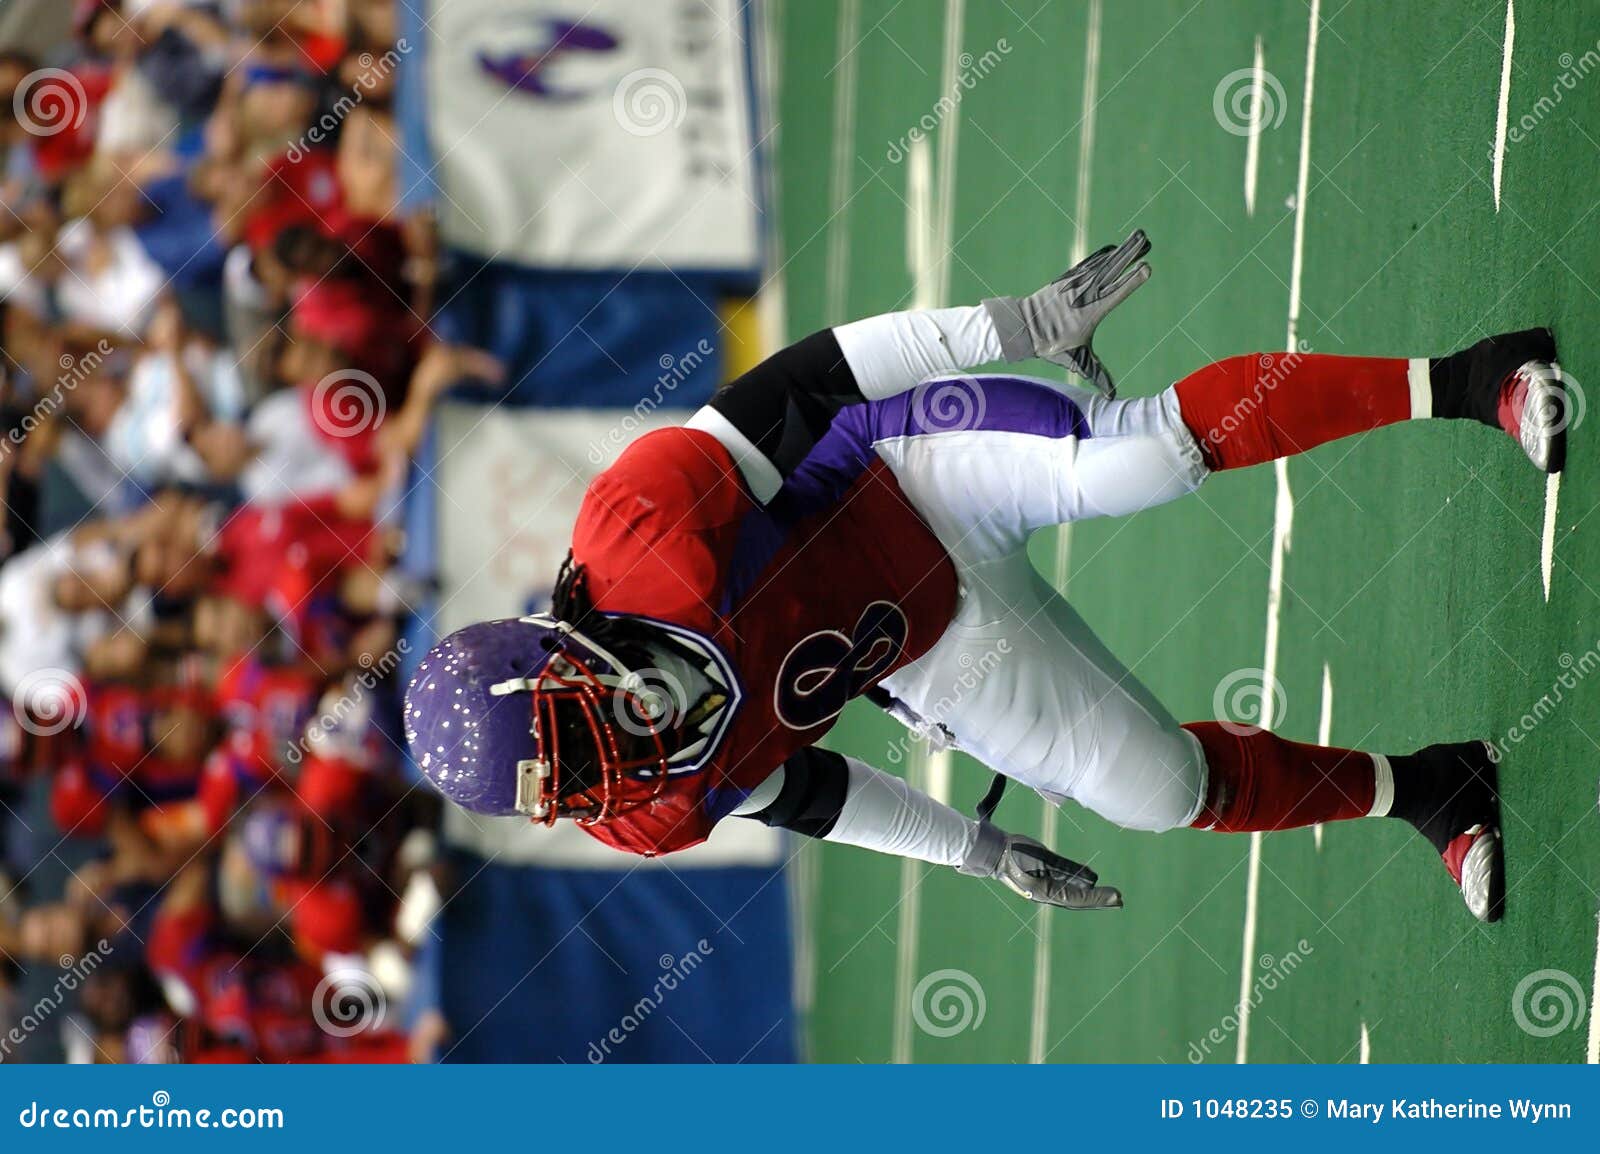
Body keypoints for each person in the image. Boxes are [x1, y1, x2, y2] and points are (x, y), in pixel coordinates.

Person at [404, 231, 1567, 925]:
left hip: (906, 468)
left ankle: (1479, 376)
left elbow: (811, 379)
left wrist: (1009, 323)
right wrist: (976, 848)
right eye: (583, 781)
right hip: (918, 634)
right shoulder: (645, 807)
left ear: (568, 652)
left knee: (1140, 457)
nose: (622, 757)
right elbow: (807, 794)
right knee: (1155, 787)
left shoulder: (640, 532)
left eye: (587, 725)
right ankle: (1433, 787)